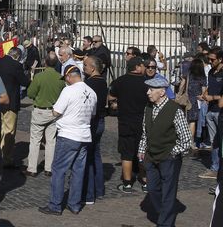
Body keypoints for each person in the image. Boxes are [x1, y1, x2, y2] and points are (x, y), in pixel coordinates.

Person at [39, 65, 95, 216]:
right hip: (84, 135)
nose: (66, 82)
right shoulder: (92, 92)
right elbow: (93, 114)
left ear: (70, 77)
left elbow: (56, 111)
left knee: (58, 170)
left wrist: (53, 111)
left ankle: (55, 205)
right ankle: (74, 204)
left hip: (69, 134)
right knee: (78, 171)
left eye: (66, 79)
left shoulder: (68, 90)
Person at [139, 75, 192, 227]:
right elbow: (145, 132)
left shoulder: (174, 110)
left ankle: (165, 223)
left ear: (162, 92)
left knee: (168, 192)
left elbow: (186, 139)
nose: (148, 92)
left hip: (169, 158)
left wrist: (172, 152)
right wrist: (142, 150)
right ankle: (164, 214)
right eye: (148, 89)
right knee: (153, 189)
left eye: (151, 89)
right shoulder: (148, 108)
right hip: (151, 156)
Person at [110, 56, 149, 191]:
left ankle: (127, 183)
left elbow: (111, 97)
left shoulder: (119, 81)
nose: (145, 68)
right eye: (143, 66)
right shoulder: (147, 83)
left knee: (126, 154)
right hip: (142, 122)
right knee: (143, 152)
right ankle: (145, 182)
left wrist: (117, 102)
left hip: (125, 121)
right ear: (137, 67)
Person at [26, 53, 66, 177]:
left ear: (45, 63)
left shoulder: (39, 77)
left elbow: (31, 93)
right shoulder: (60, 78)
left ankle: (32, 168)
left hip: (40, 110)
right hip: (53, 111)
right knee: (51, 141)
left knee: (35, 140)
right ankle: (49, 168)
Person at [0, 45, 29, 169]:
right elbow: (24, 82)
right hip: (10, 101)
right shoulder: (16, 66)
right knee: (9, 131)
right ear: (17, 57)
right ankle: (5, 157)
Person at [82, 55, 109, 204]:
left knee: (89, 158)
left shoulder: (89, 84)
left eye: (85, 65)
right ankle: (99, 190)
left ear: (92, 68)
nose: (83, 67)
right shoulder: (103, 82)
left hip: (92, 122)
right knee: (96, 155)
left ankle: (89, 194)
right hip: (101, 121)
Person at [199, 48, 223, 179]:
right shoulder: (210, 71)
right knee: (214, 141)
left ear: (220, 59)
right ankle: (215, 167)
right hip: (210, 109)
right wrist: (205, 94)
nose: (210, 61)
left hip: (221, 110)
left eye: (212, 59)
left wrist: (213, 97)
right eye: (209, 59)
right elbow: (210, 85)